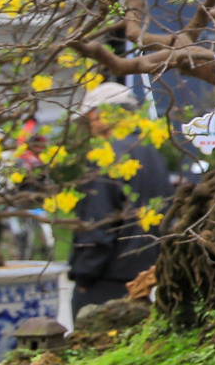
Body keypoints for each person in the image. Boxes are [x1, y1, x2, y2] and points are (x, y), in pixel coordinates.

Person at [67, 82, 171, 318]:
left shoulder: (106, 155)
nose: (90, 125)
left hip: (106, 280)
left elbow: (97, 224)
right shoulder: (153, 154)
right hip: (144, 276)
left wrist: (84, 276)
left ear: (104, 114)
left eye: (91, 117)